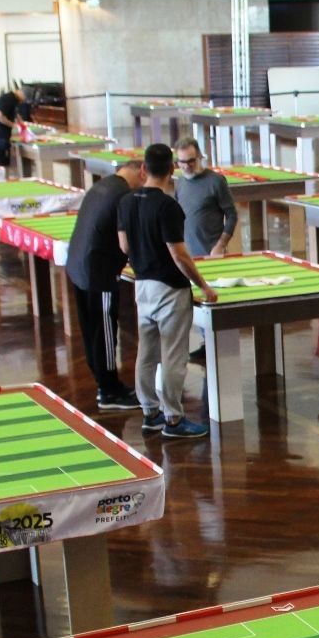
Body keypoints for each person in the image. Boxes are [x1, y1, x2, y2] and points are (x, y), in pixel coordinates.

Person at [117, 143, 218, 438]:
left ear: (143, 169)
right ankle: (174, 418)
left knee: (146, 353)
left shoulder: (126, 202)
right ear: (172, 169)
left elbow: (124, 246)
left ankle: (150, 412)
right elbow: (179, 255)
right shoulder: (167, 206)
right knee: (173, 355)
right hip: (170, 290)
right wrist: (203, 285)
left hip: (141, 287)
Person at [66, 159, 146, 411]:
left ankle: (103, 381)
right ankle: (109, 390)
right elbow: (128, 239)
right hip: (98, 271)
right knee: (105, 331)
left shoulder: (102, 186)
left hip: (79, 265)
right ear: (141, 171)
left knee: (91, 330)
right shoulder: (123, 195)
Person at [172, 136, 237, 363]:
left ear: (199, 157)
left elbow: (232, 215)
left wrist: (220, 244)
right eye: (181, 162)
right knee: (194, 302)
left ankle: (220, 347)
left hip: (211, 254)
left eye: (190, 161)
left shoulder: (216, 182)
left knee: (213, 300)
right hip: (188, 254)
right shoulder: (180, 183)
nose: (186, 166)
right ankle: (205, 342)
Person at [0, 86, 27, 168]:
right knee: (1, 164)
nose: (23, 100)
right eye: (24, 98)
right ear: (21, 93)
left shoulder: (13, 99)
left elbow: (13, 111)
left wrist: (21, 122)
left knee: (2, 162)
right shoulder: (9, 99)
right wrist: (13, 125)